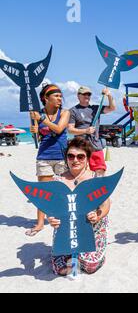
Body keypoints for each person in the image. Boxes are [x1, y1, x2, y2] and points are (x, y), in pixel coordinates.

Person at [48, 137, 110, 275]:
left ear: (87, 159)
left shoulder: (97, 179)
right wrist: (50, 218)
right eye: (71, 156)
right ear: (66, 159)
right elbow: (50, 208)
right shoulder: (57, 180)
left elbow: (106, 204)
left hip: (92, 228)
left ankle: (96, 254)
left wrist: (98, 215)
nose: (75, 160)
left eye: (80, 156)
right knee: (61, 269)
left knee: (89, 266)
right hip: (66, 229)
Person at [28, 84, 69, 236]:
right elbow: (38, 137)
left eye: (60, 96)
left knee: (62, 192)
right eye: (56, 96)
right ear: (46, 98)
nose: (60, 98)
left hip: (61, 156)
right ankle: (39, 223)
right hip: (44, 155)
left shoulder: (65, 112)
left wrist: (42, 119)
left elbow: (58, 129)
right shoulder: (36, 114)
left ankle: (64, 219)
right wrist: (34, 130)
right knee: (43, 193)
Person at [68, 86, 116, 176]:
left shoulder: (95, 108)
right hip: (80, 147)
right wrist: (85, 130)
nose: (87, 96)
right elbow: (70, 129)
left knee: (100, 171)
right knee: (81, 173)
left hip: (95, 145)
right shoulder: (73, 111)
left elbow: (112, 108)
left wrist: (109, 95)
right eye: (84, 94)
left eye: (89, 94)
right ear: (78, 96)